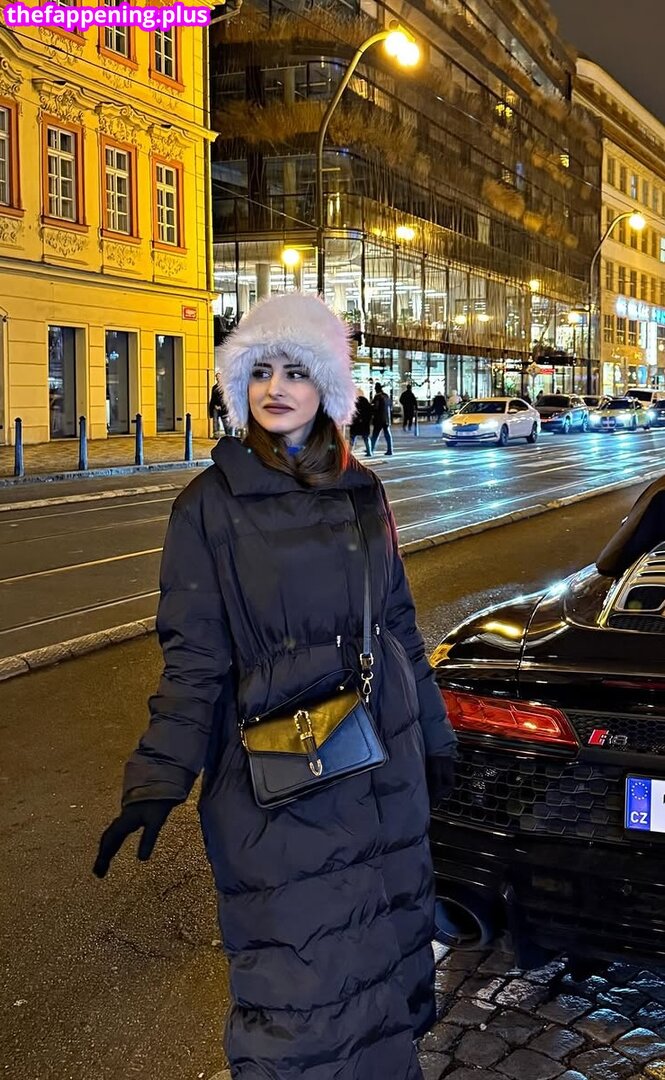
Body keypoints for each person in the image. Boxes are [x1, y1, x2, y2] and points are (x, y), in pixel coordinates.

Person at [93, 292, 456, 1080]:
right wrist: (157, 779)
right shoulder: (208, 507)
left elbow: (396, 623)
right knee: (301, 996)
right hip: (283, 782)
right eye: (259, 371)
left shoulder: (362, 491)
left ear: (326, 384)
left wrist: (433, 736)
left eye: (295, 370)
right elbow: (194, 660)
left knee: (387, 971)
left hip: (383, 764)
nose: (275, 387)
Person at [371, 381, 394, 455]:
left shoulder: (377, 396)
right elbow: (390, 406)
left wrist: (371, 409)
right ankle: (390, 450)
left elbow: (376, 407)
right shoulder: (386, 396)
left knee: (375, 435)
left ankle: (371, 449)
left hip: (379, 419)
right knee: (387, 435)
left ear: (376, 389)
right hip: (386, 418)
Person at [349, 387, 372, 456]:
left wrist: (352, 421)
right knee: (366, 438)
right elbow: (370, 413)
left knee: (352, 438)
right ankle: (369, 452)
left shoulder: (354, 402)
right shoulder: (367, 402)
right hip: (364, 424)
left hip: (355, 424)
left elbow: (351, 413)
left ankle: (350, 452)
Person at [209, 370, 229, 437]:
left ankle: (228, 435)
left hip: (223, 407)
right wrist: (213, 406)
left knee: (225, 422)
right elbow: (213, 398)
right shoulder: (214, 387)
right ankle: (216, 435)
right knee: (215, 421)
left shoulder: (224, 387)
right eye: (217, 377)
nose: (218, 378)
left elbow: (225, 398)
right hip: (215, 407)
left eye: (219, 377)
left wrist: (221, 406)